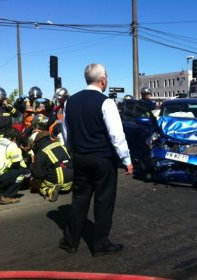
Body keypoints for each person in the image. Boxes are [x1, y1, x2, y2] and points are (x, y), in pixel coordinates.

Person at [60, 63, 133, 256]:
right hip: (102, 159)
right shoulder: (106, 102)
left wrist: (72, 151)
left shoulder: (70, 101)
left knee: (79, 199)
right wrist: (127, 160)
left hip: (80, 157)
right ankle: (100, 244)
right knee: (104, 201)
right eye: (106, 77)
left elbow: (66, 131)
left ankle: (70, 241)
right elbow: (116, 135)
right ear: (102, 79)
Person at [30, 131, 73, 202]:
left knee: (40, 187)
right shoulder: (61, 145)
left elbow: (38, 175)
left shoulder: (41, 152)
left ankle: (49, 190)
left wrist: (32, 167)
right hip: (69, 182)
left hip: (56, 182)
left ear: (37, 143)